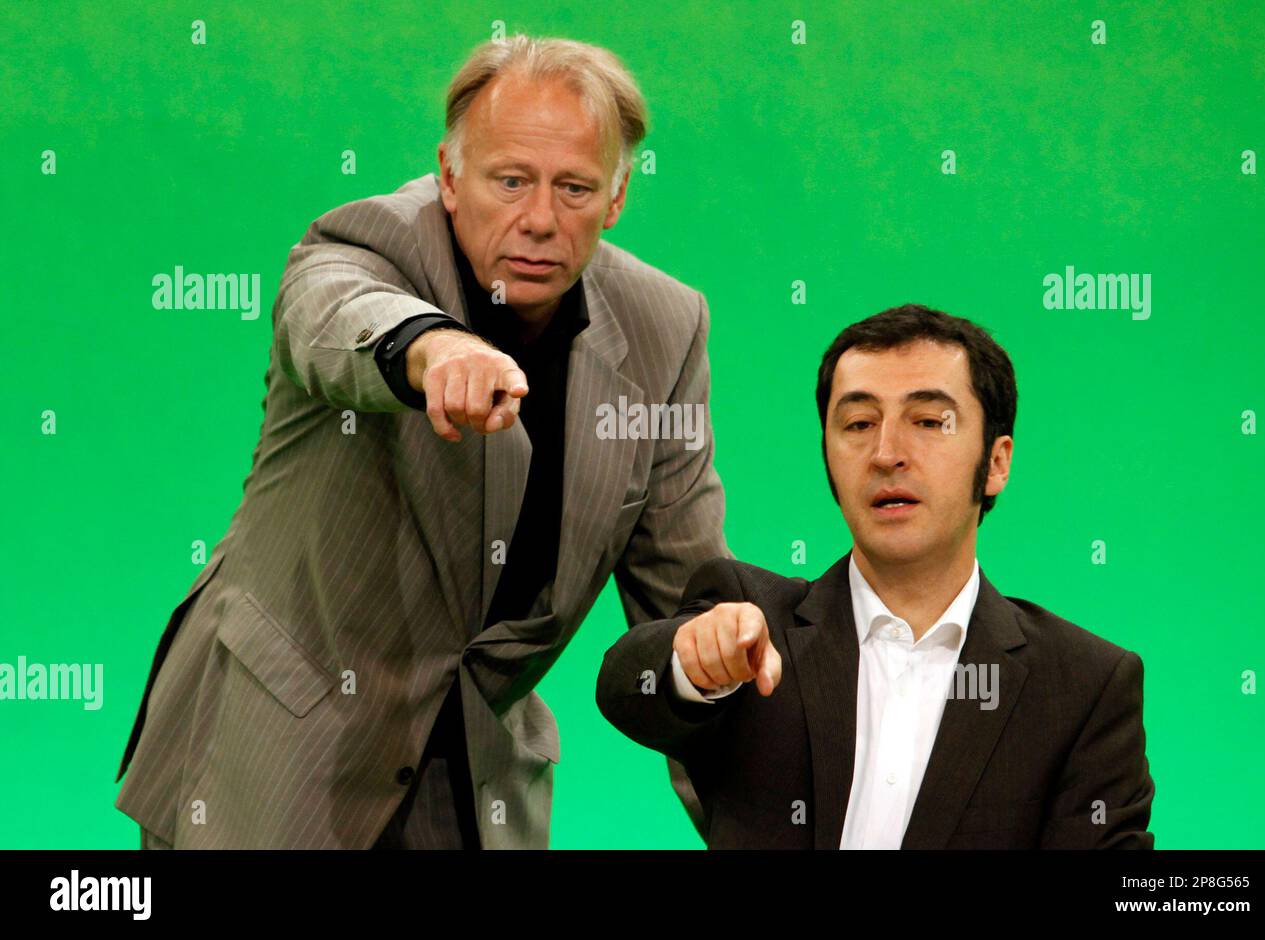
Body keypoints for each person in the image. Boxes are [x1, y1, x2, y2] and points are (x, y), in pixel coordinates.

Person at [116, 34, 728, 849]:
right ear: (448, 174)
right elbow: (332, 313)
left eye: (574, 188)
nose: (540, 219)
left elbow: (686, 617)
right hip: (271, 766)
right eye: (509, 181)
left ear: (616, 200)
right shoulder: (370, 242)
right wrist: (434, 349)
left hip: (473, 783)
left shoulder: (666, 326)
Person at [597, 304, 1155, 849]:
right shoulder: (754, 620)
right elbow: (626, 686)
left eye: (930, 421)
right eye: (859, 423)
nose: (887, 453)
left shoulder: (1082, 686)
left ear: (996, 462)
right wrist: (691, 660)